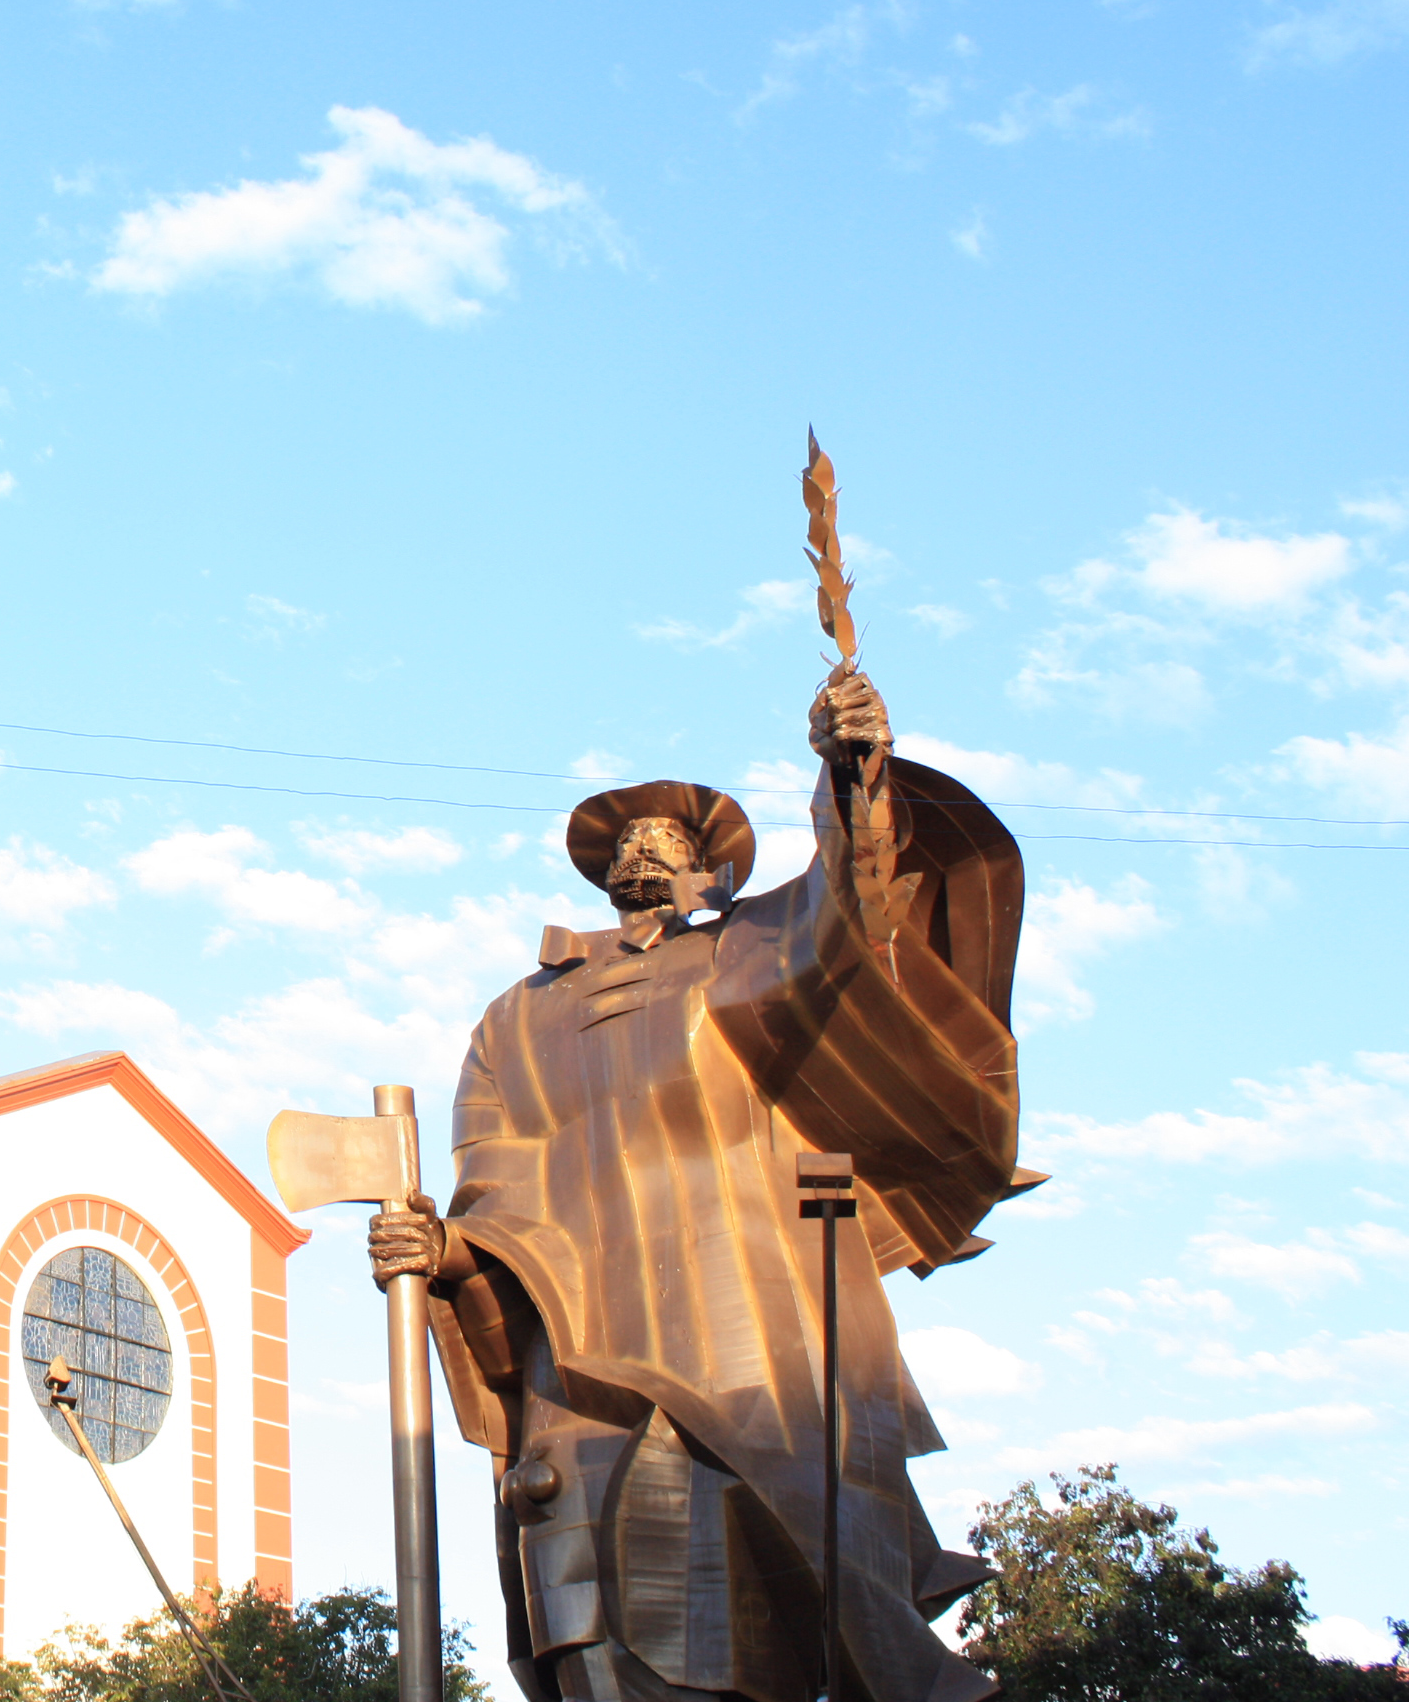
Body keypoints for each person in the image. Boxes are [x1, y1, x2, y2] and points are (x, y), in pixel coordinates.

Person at [369, 668, 1036, 1702]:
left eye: (668, 837)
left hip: (748, 1333)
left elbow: (857, 920)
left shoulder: (749, 951)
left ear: (711, 869)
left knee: (753, 1599)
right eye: (627, 836)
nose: (642, 843)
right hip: (572, 1350)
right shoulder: (515, 1018)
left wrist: (853, 774)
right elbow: (489, 1185)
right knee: (582, 1606)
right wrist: (443, 1251)